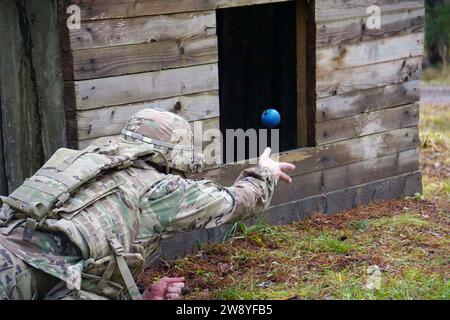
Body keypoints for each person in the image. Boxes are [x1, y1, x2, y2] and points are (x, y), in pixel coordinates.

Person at [0, 109, 295, 300]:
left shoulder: (81, 166)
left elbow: (76, 270)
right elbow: (234, 203)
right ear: (174, 156)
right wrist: (264, 172)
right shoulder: (161, 189)